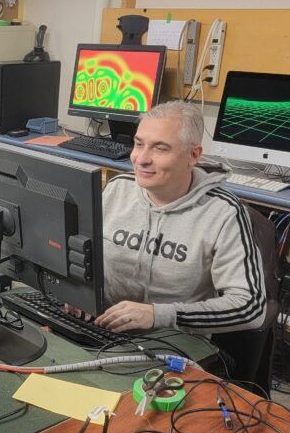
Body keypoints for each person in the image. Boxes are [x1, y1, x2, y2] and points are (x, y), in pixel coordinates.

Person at [95, 100, 266, 335]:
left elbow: (250, 307)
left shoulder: (224, 213)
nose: (141, 159)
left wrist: (158, 315)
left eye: (160, 148)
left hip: (175, 343)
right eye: (138, 144)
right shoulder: (117, 189)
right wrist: (77, 294)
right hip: (103, 327)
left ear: (193, 155)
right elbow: (83, 256)